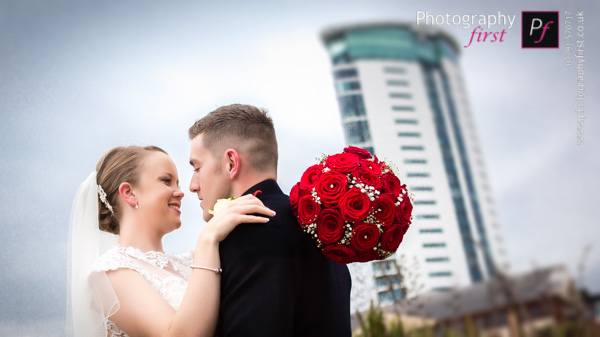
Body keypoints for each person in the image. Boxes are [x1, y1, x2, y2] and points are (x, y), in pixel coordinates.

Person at [66, 145, 275, 337]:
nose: (181, 192)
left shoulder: (192, 261)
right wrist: (208, 237)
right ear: (129, 193)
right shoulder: (108, 274)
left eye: (178, 183)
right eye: (166, 181)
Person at [188, 104, 352, 336]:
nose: (193, 185)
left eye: (197, 167)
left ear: (231, 163)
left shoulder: (248, 229)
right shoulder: (321, 228)